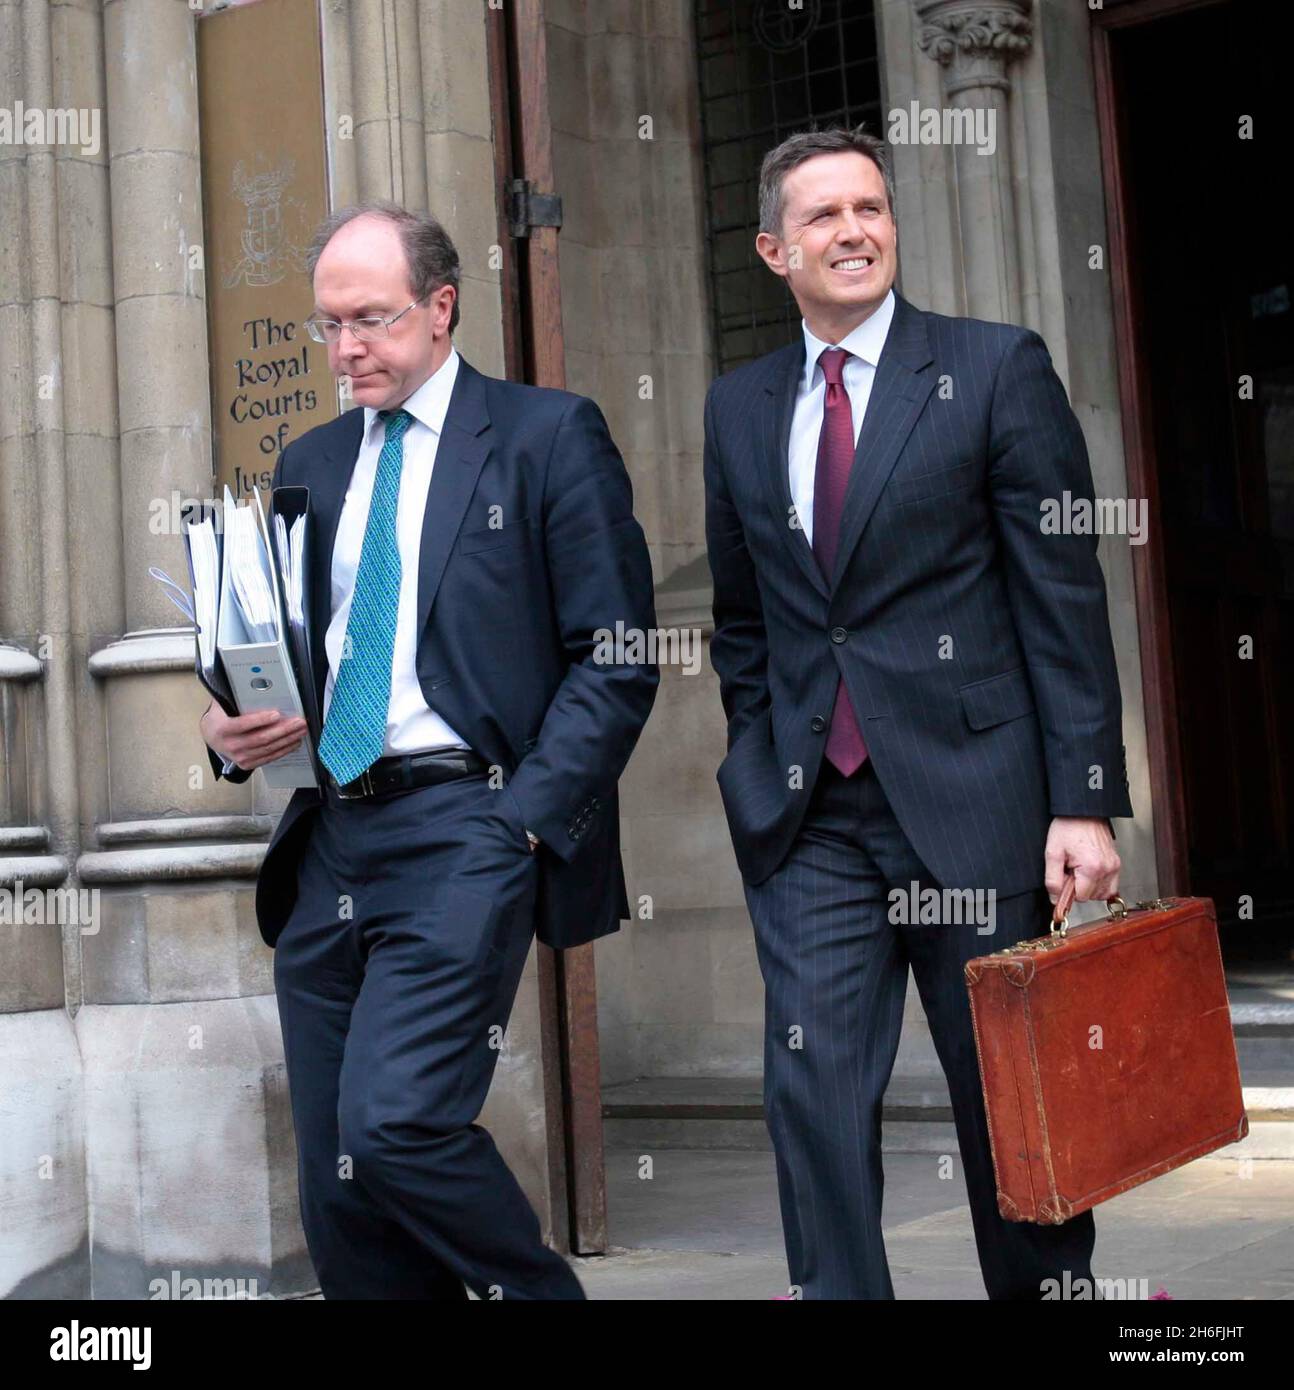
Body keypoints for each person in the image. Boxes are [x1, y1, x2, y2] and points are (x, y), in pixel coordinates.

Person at [703, 126, 1132, 1300]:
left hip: (975, 803)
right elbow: (744, 619)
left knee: (1012, 1103)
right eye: (826, 216)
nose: (854, 231)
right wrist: (759, 752)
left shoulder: (993, 367)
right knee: (814, 1101)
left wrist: (1082, 800)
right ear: (771, 248)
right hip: (813, 820)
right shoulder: (738, 409)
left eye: (871, 209)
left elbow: (1061, 597)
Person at [201, 201, 657, 1300]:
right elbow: (292, 653)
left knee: (397, 1122)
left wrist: (521, 820)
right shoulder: (309, 460)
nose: (346, 348)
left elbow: (618, 655)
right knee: (340, 1183)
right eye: (329, 326)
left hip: (469, 825)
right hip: (335, 836)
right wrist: (232, 732)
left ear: (442, 307)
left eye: (370, 319)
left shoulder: (548, 435)